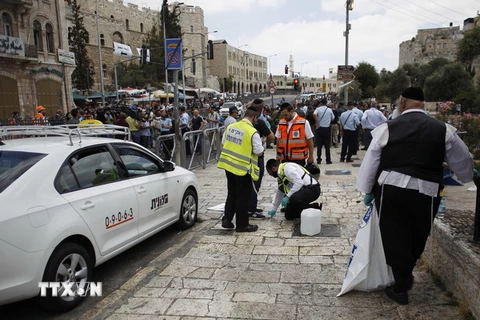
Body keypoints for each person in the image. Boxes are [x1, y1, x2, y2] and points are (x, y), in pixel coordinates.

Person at [357, 87, 474, 305]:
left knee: (394, 234)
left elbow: (371, 160)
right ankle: (405, 273)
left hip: (392, 188)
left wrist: (366, 190)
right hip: (427, 191)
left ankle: (401, 285)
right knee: (418, 232)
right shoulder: (444, 130)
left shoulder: (387, 128)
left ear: (402, 103)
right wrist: (467, 176)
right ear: (422, 104)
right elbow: (463, 159)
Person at [218, 107, 264, 232]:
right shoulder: (252, 132)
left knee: (232, 193)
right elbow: (258, 151)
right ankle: (242, 224)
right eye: (256, 119)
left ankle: (227, 219)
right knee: (243, 197)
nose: (256, 122)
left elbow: (223, 143)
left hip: (228, 165)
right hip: (243, 168)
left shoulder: (231, 127)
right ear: (254, 117)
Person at [248, 100, 275, 219]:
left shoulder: (243, 122)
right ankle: (251, 209)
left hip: (244, 157)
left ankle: (250, 206)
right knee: (255, 184)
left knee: (248, 184)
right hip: (257, 157)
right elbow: (272, 137)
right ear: (260, 110)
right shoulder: (260, 122)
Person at [313, 98, 335, 164]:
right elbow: (333, 118)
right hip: (327, 129)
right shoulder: (329, 110)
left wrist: (317, 122)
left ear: (321, 103)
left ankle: (319, 159)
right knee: (327, 145)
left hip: (319, 129)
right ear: (326, 103)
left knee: (319, 145)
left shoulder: (318, 109)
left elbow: (314, 114)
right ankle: (328, 160)